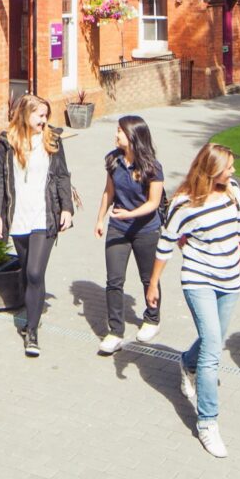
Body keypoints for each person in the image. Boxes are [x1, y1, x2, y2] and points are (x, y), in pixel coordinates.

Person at [144, 140, 240, 457]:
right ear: (212, 170)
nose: (234, 170)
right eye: (228, 167)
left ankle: (186, 363)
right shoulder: (183, 205)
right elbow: (166, 245)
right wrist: (153, 284)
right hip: (198, 281)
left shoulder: (232, 190)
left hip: (231, 280)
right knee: (213, 353)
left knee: (213, 340)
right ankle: (207, 423)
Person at [0, 93, 73, 357]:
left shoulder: (53, 139)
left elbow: (61, 176)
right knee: (27, 272)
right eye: (40, 115)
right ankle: (32, 311)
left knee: (35, 272)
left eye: (46, 115)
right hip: (19, 216)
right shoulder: (7, 142)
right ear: (26, 114)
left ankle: (32, 331)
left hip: (44, 215)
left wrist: (67, 208)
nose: (44, 120)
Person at [95, 115, 167, 355]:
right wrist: (100, 219)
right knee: (114, 280)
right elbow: (108, 191)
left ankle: (152, 318)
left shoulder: (152, 167)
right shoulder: (113, 160)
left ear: (133, 136)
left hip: (146, 229)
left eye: (120, 132)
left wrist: (130, 214)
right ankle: (115, 332)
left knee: (149, 278)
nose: (116, 135)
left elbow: (154, 203)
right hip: (119, 228)